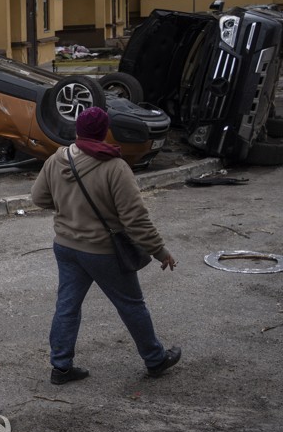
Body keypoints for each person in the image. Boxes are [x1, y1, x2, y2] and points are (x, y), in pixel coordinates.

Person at [30, 107, 181, 385]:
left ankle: (61, 367)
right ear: (104, 132)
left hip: (66, 247)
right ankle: (155, 359)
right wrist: (160, 251)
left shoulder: (57, 158)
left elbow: (39, 198)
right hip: (102, 251)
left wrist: (67, 206)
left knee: (67, 306)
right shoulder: (114, 166)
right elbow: (135, 219)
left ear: (78, 131)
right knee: (131, 304)